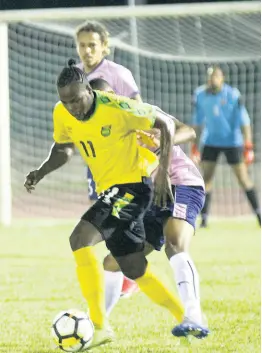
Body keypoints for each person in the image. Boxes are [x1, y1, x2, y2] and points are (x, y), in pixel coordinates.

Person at [24, 60, 192, 349]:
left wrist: (163, 171)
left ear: (88, 89)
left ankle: (99, 325)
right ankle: (186, 317)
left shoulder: (117, 107)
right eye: (65, 101)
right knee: (134, 267)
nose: (71, 107)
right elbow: (64, 149)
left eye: (76, 99)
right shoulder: (62, 112)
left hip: (133, 187)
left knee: (79, 238)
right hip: (110, 191)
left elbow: (165, 123)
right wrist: (40, 172)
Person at [89, 78, 210, 339]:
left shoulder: (140, 113)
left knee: (175, 243)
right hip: (149, 196)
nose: (105, 103)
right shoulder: (102, 136)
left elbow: (188, 131)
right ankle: (99, 326)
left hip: (181, 182)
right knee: (114, 260)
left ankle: (194, 316)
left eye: (108, 96)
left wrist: (161, 146)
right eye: (98, 99)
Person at [75, 20, 142, 204]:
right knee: (98, 211)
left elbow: (138, 110)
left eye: (92, 45)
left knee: (123, 213)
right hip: (95, 155)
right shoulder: (74, 76)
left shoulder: (118, 74)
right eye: (82, 45)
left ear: (104, 46)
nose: (87, 50)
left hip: (122, 154)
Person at [191, 66, 261, 228]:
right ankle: (204, 220)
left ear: (222, 78)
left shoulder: (233, 94)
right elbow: (197, 122)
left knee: (243, 178)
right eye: (210, 76)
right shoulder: (200, 95)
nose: (213, 79)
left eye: (216, 76)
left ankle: (259, 216)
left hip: (232, 142)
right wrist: (194, 145)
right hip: (210, 142)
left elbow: (245, 121)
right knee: (206, 179)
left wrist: (248, 146)